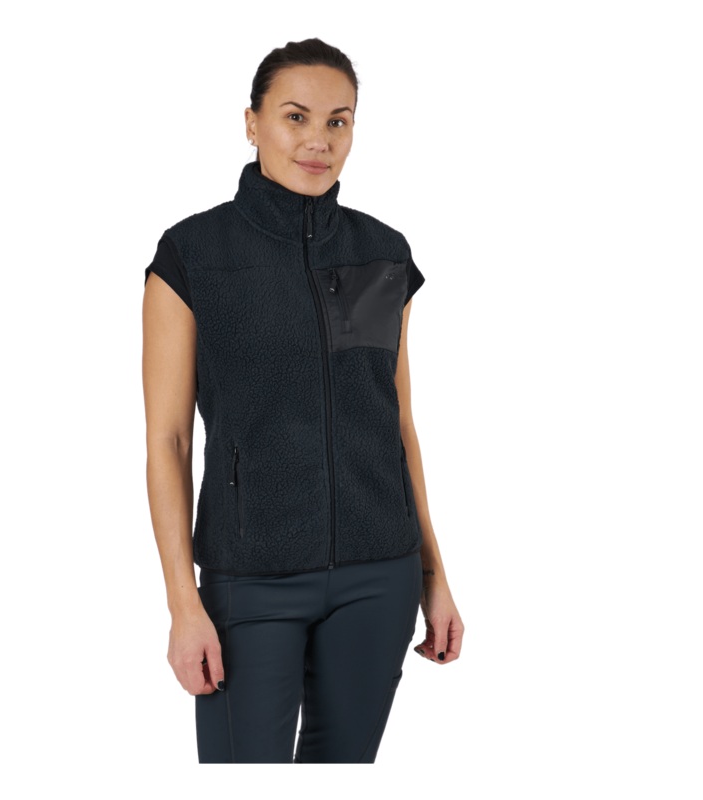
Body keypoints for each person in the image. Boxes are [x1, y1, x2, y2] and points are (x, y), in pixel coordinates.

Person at [142, 37, 464, 764]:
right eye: (296, 117)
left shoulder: (384, 254)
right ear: (251, 123)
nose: (319, 140)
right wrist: (183, 602)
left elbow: (397, 427)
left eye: (338, 121)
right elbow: (168, 440)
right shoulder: (192, 255)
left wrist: (432, 576)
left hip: (379, 574)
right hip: (249, 581)